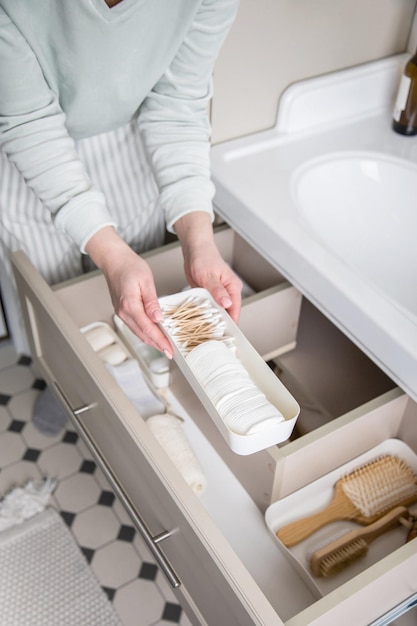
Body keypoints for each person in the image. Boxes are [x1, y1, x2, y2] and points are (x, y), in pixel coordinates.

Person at [0, 0, 242, 433]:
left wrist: (199, 240)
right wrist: (111, 254)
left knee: (136, 305)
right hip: (29, 161)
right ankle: (65, 387)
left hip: (131, 146)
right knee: (55, 309)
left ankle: (125, 387)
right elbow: (28, 121)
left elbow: (179, 102)